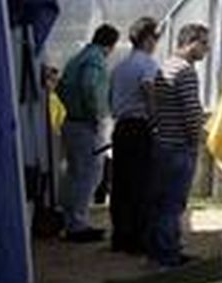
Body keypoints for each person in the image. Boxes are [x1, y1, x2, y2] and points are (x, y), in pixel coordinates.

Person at [149, 24, 210, 269]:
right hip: (178, 147)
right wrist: (200, 138)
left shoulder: (165, 66)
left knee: (161, 203)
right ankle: (169, 256)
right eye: (204, 43)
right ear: (191, 42)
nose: (206, 49)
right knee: (173, 204)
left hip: (163, 143)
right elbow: (192, 112)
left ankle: (159, 251)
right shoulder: (185, 71)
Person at [57, 23, 119, 242]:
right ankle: (78, 224)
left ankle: (69, 219)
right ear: (111, 44)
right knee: (89, 173)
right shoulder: (95, 59)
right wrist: (95, 115)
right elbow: (90, 86)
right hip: (85, 124)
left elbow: (61, 87)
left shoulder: (78, 57)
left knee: (75, 173)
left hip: (71, 121)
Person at [108, 18, 160, 254]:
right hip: (139, 126)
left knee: (121, 184)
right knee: (141, 184)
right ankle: (138, 238)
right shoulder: (147, 64)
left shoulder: (120, 67)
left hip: (121, 126)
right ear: (149, 39)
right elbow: (149, 91)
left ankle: (120, 235)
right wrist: (156, 119)